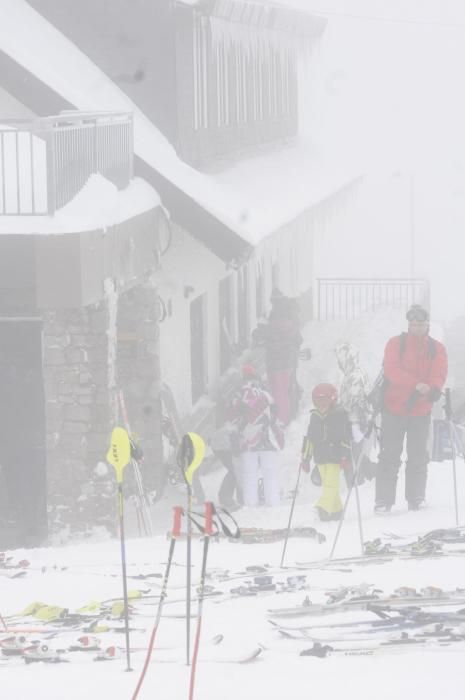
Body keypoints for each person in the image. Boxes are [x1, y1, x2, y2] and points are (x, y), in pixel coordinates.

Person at [374, 304, 448, 513]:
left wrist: (433, 387)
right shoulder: (395, 344)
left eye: (420, 324)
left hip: (421, 411)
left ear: (427, 325)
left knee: (418, 456)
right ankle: (383, 500)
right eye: (413, 324)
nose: (416, 328)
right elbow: (391, 370)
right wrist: (416, 384)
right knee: (389, 455)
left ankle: (416, 497)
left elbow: (439, 372)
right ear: (408, 324)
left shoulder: (437, 349)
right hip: (393, 408)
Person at [231, 364, 284, 507]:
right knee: (270, 474)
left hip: (247, 441)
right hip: (267, 440)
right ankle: (273, 503)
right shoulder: (265, 391)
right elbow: (275, 412)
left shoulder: (239, 392)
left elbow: (233, 415)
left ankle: (250, 505)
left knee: (249, 475)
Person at [300, 383, 352, 521]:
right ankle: (336, 511)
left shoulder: (339, 414)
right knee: (328, 485)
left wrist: (344, 457)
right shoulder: (315, 416)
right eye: (318, 402)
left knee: (330, 484)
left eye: (325, 401)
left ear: (333, 400)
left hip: (335, 457)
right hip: (320, 457)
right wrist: (306, 459)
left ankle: (321, 508)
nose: (321, 405)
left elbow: (346, 437)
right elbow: (310, 439)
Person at [252, 290, 303, 425]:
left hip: (278, 362)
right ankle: (290, 412)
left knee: (279, 391)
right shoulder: (289, 315)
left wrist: (262, 333)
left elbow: (270, 334)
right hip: (289, 359)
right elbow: (296, 338)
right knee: (287, 388)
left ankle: (282, 420)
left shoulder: (278, 317)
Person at [334, 342, 377, 482]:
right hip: (355, 424)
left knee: (354, 461)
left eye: (341, 358)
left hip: (356, 425)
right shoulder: (351, 374)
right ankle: (363, 479)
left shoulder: (355, 376)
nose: (339, 362)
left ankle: (358, 486)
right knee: (356, 458)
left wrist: (355, 426)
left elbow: (355, 403)